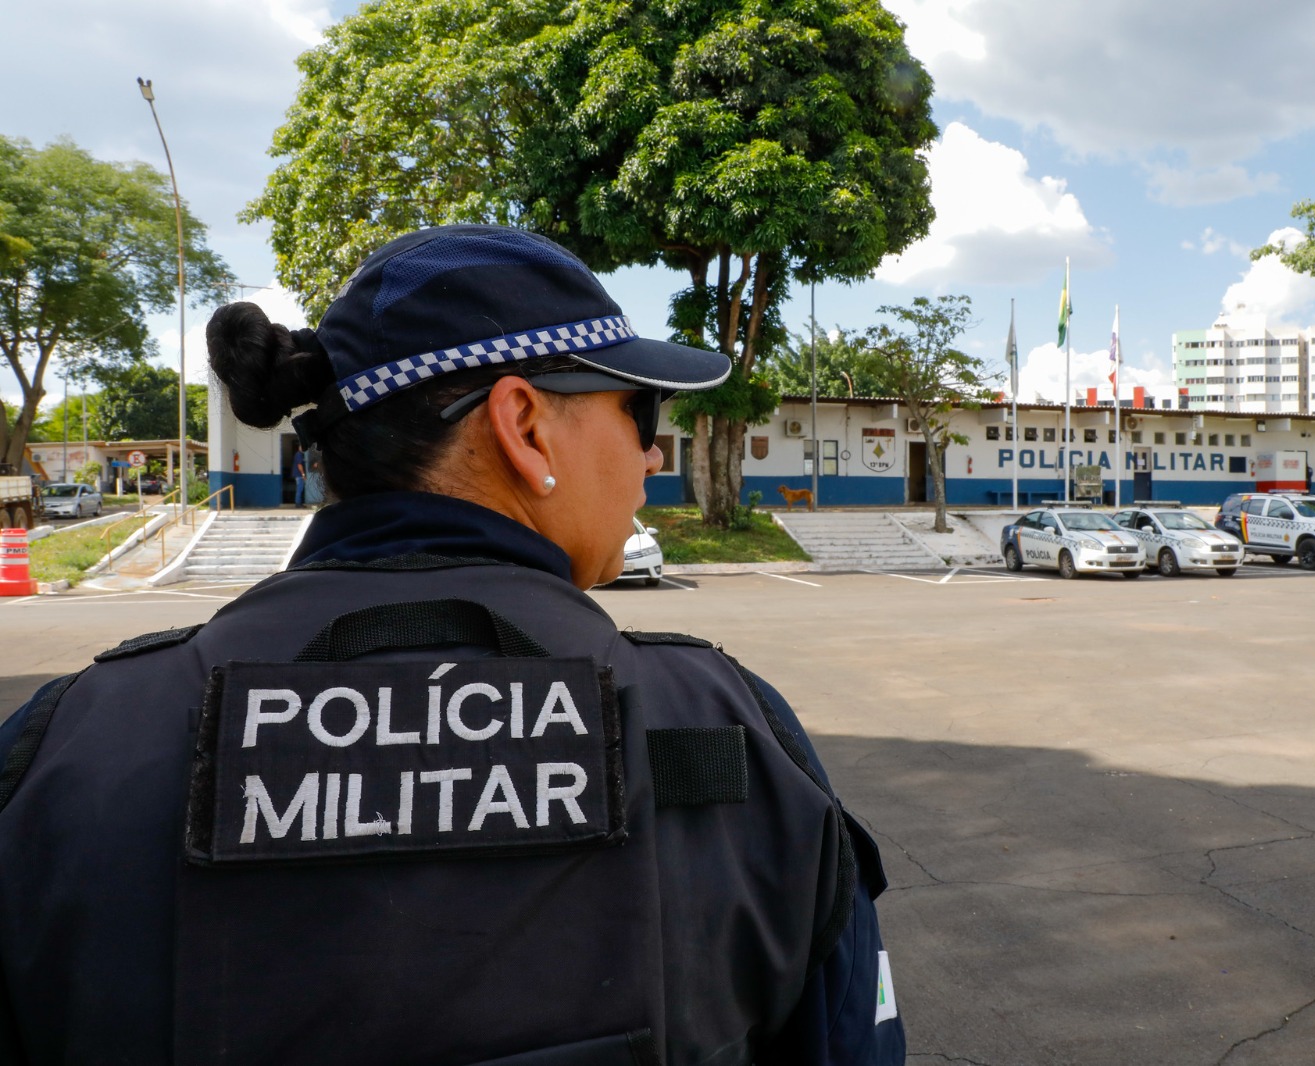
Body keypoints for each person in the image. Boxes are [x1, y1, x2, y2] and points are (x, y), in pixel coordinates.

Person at [0, 225, 904, 1065]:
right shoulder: (730, 737)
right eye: (641, 413)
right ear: (523, 424)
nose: (652, 457)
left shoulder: (66, 750)